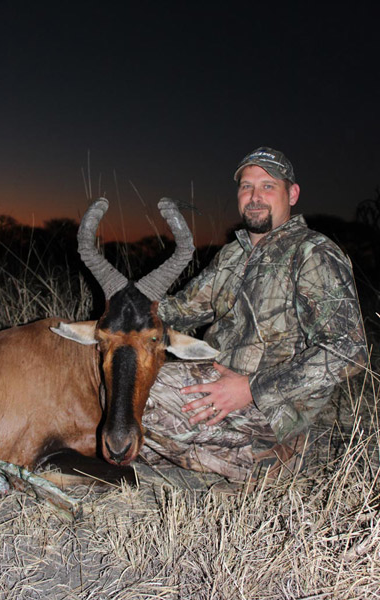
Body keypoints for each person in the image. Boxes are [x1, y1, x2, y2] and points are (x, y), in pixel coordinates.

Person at [141, 147, 367, 485]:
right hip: (217, 380)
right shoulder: (232, 255)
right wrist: (130, 307)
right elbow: (183, 309)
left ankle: (265, 457)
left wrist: (251, 388)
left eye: (267, 186)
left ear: (292, 194)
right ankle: (227, 454)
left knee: (139, 403)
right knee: (126, 387)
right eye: (247, 187)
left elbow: (348, 351)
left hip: (271, 406)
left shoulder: (313, 252)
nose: (255, 196)